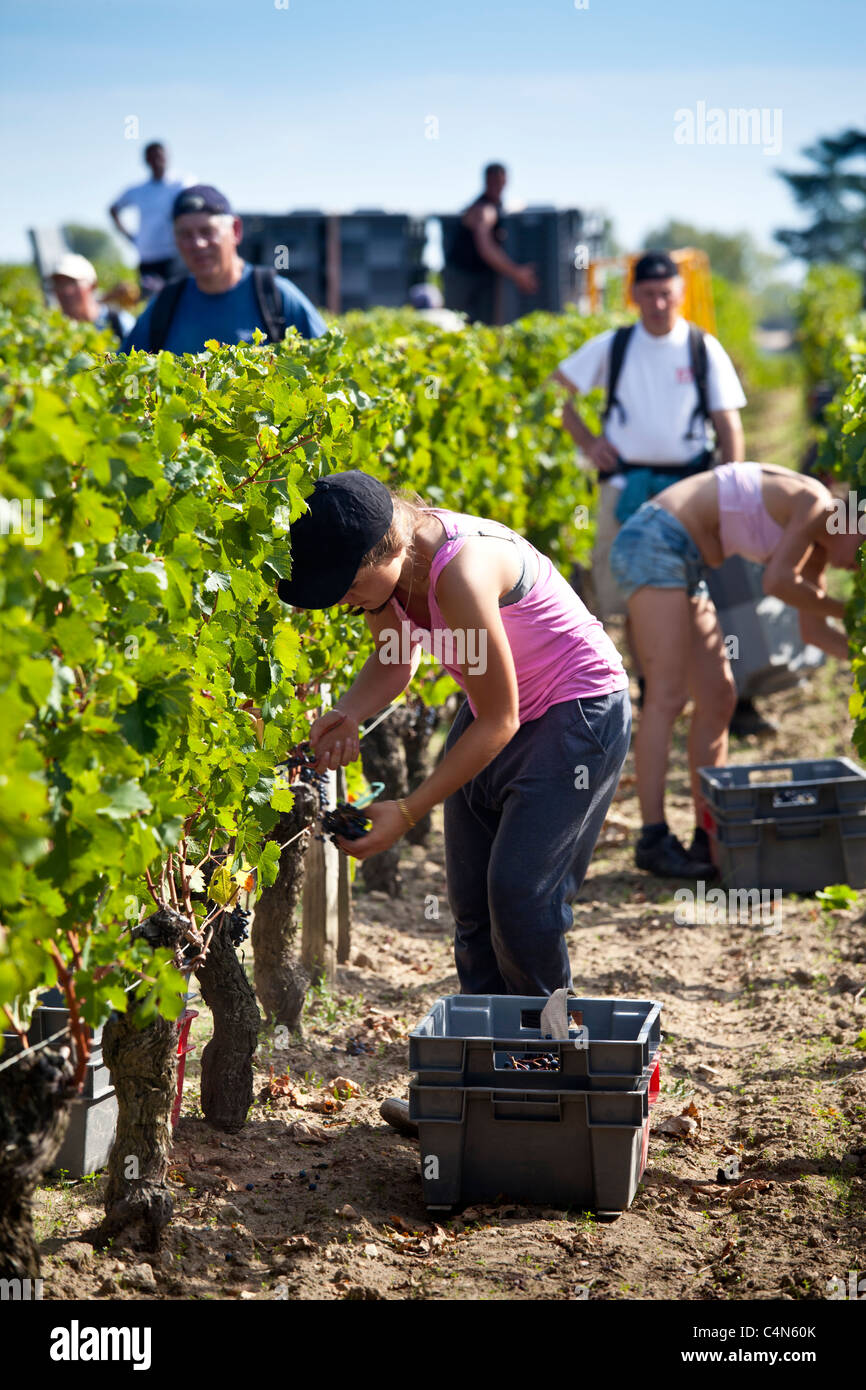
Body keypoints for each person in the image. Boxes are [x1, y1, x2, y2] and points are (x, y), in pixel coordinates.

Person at [278, 470, 630, 995]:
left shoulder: (459, 571)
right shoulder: (387, 584)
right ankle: (485, 1049)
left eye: (349, 585)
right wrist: (350, 711)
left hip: (576, 708)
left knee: (520, 896)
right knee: (471, 904)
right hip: (499, 705)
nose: (347, 601)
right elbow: (396, 659)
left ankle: (547, 1051)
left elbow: (499, 718)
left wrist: (407, 812)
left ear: (388, 547)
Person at [609, 461, 860, 879]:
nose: (858, 567)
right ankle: (653, 837)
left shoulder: (817, 548)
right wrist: (853, 613)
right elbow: (777, 583)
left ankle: (709, 833)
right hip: (653, 540)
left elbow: (814, 631)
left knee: (719, 697)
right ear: (853, 517)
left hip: (684, 558)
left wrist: (860, 651)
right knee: (667, 696)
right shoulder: (815, 504)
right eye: (864, 546)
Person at [119, 185, 326, 354]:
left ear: (235, 230)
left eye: (207, 231)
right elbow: (125, 376)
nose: (197, 243)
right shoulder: (165, 304)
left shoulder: (276, 297)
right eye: (185, 234)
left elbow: (327, 368)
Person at [443, 163, 538, 324]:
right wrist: (516, 273)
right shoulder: (483, 210)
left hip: (480, 277)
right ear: (487, 181)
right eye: (494, 182)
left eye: (500, 182)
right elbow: (486, 248)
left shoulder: (497, 207)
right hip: (463, 277)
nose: (498, 187)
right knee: (459, 324)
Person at [109, 142, 191, 293]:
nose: (157, 160)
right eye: (152, 157)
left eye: (160, 155)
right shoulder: (138, 190)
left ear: (167, 157)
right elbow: (113, 209)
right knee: (151, 302)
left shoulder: (182, 183)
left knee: (176, 298)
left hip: (173, 254)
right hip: (147, 256)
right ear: (146, 160)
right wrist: (129, 236)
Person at [49, 253, 135, 341]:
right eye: (58, 284)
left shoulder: (121, 323)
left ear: (93, 286)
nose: (65, 291)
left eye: (72, 282)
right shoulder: (54, 334)